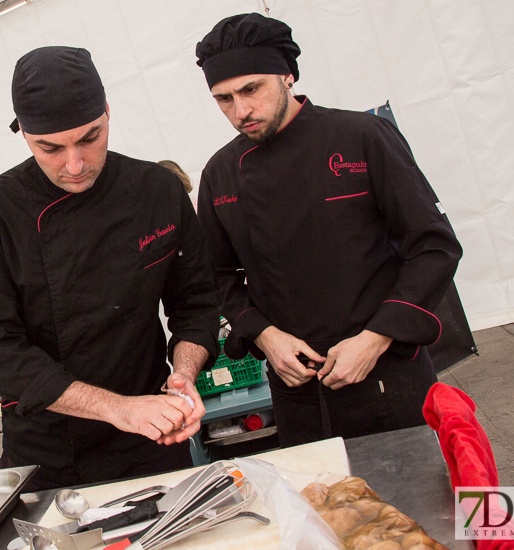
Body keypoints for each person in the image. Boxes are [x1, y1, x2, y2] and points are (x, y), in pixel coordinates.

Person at [193, 14, 463, 446]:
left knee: (423, 507)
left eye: (251, 89)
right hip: (296, 388)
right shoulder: (220, 173)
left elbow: (434, 247)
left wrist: (375, 339)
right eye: (223, 99)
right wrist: (266, 335)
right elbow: (218, 276)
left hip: (387, 373)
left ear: (287, 76)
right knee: (321, 507)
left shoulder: (361, 137)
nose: (240, 110)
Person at [0, 46, 219, 491]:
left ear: (108, 113)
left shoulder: (156, 191)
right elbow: (0, 352)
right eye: (51, 148)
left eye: (90, 138)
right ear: (23, 133)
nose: (74, 165)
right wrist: (120, 409)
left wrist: (183, 375)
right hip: (49, 452)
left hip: (151, 441)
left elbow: (196, 302)